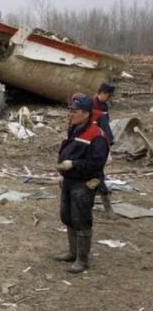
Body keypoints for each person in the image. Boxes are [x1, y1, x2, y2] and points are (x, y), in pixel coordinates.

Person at [54, 96, 109, 274]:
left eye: (74, 111)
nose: (71, 114)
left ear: (85, 114)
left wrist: (73, 165)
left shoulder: (96, 135)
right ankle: (72, 252)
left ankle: (82, 260)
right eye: (70, 110)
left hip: (84, 183)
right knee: (67, 216)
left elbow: (96, 163)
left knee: (81, 219)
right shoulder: (74, 129)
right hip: (70, 180)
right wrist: (65, 174)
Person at [91, 82, 116, 217]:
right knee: (96, 175)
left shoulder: (104, 107)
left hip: (101, 144)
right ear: (103, 93)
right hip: (91, 144)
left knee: (96, 174)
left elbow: (105, 127)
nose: (109, 99)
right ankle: (107, 208)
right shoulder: (90, 105)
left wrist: (108, 143)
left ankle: (104, 206)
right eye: (108, 96)